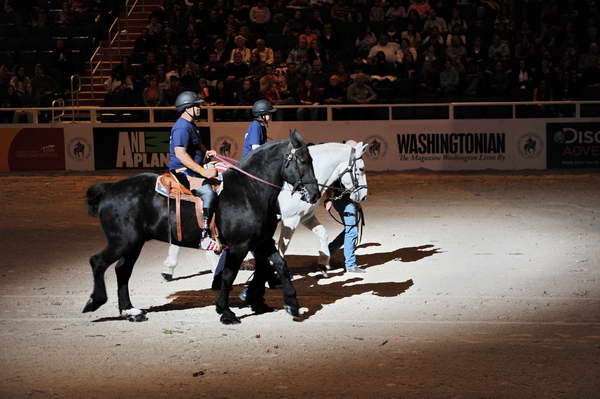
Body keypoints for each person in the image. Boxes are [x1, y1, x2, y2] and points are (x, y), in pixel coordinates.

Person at [169, 91, 220, 250]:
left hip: (194, 169)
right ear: (187, 108)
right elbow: (181, 154)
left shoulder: (190, 124)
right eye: (196, 105)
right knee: (209, 193)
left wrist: (206, 152)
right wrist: (204, 172)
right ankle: (204, 234)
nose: (199, 107)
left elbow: (197, 145)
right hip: (183, 171)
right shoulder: (182, 128)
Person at [324, 145, 366, 274]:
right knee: (352, 231)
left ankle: (327, 251)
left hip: (345, 200)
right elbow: (329, 182)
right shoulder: (344, 165)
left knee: (350, 230)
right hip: (344, 201)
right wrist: (329, 198)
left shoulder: (345, 164)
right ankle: (350, 265)